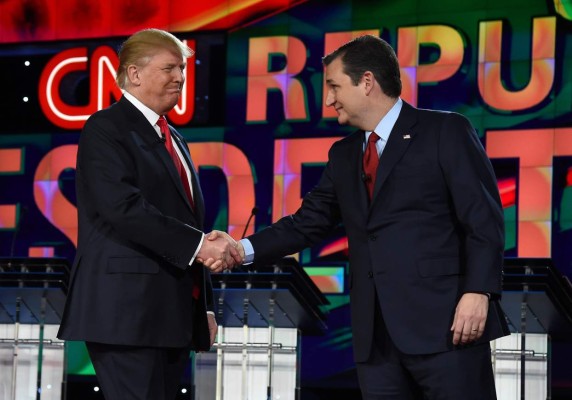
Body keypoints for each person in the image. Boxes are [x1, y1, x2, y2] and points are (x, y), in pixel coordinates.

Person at [210, 34, 510, 399]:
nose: (328, 99)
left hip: (447, 327)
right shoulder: (344, 154)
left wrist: (478, 291)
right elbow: (309, 222)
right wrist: (240, 249)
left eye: (334, 86)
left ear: (367, 82)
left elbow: (483, 220)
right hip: (376, 341)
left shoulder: (444, 131)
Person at [57, 28, 240, 400]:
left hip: (170, 316)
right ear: (135, 74)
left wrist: (202, 306)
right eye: (169, 68)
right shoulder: (106, 127)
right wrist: (202, 246)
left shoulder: (175, 137)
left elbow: (189, 225)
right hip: (125, 314)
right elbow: (122, 209)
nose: (180, 77)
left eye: (183, 70)